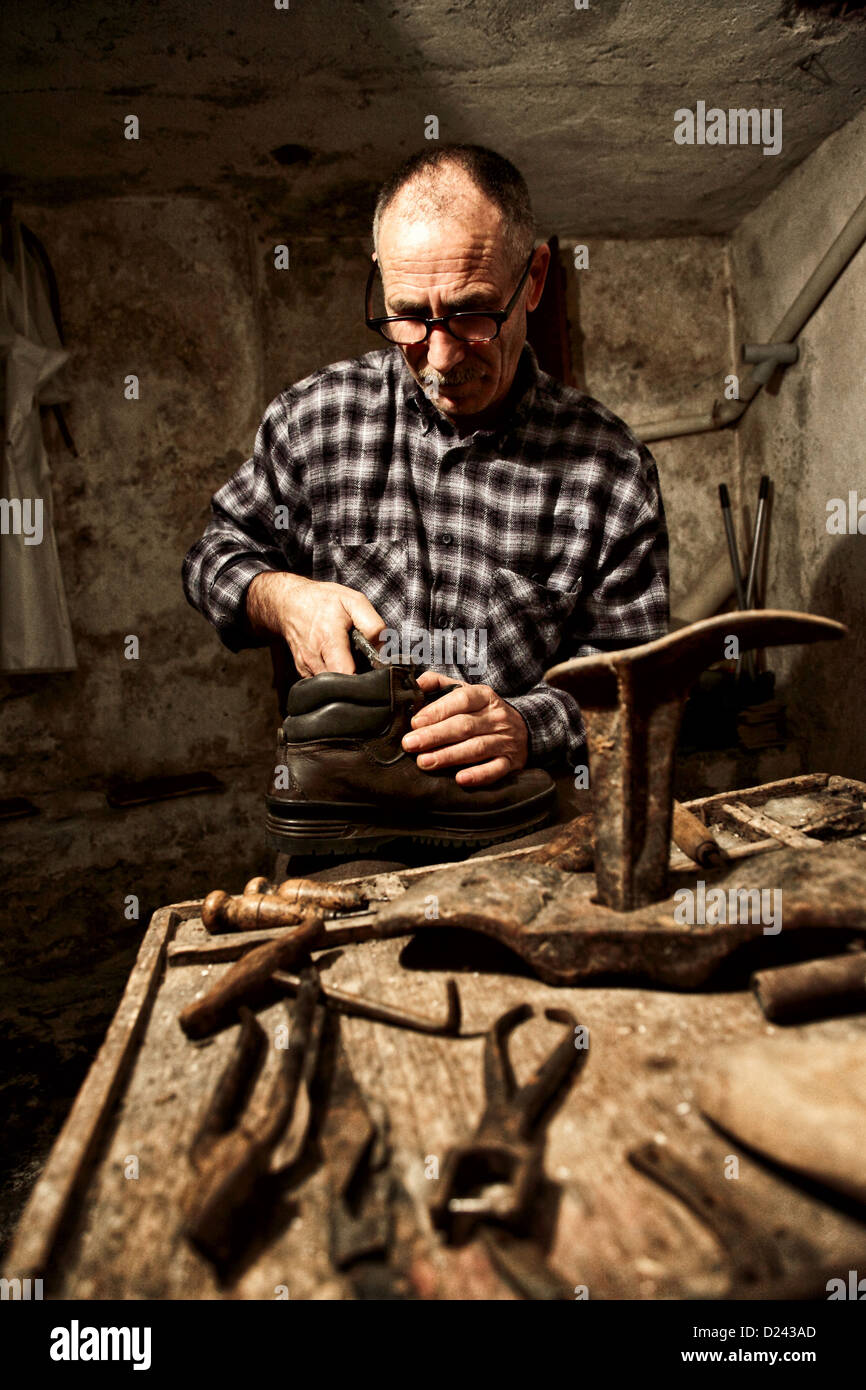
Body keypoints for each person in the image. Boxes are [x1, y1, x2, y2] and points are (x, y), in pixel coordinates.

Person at [183, 144, 669, 799]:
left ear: (533, 278)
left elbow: (638, 681)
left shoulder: (609, 467)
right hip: (343, 810)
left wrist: (529, 726)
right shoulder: (311, 420)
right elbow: (211, 557)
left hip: (519, 816)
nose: (439, 356)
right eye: (409, 314)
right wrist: (282, 597)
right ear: (381, 276)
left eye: (472, 312)